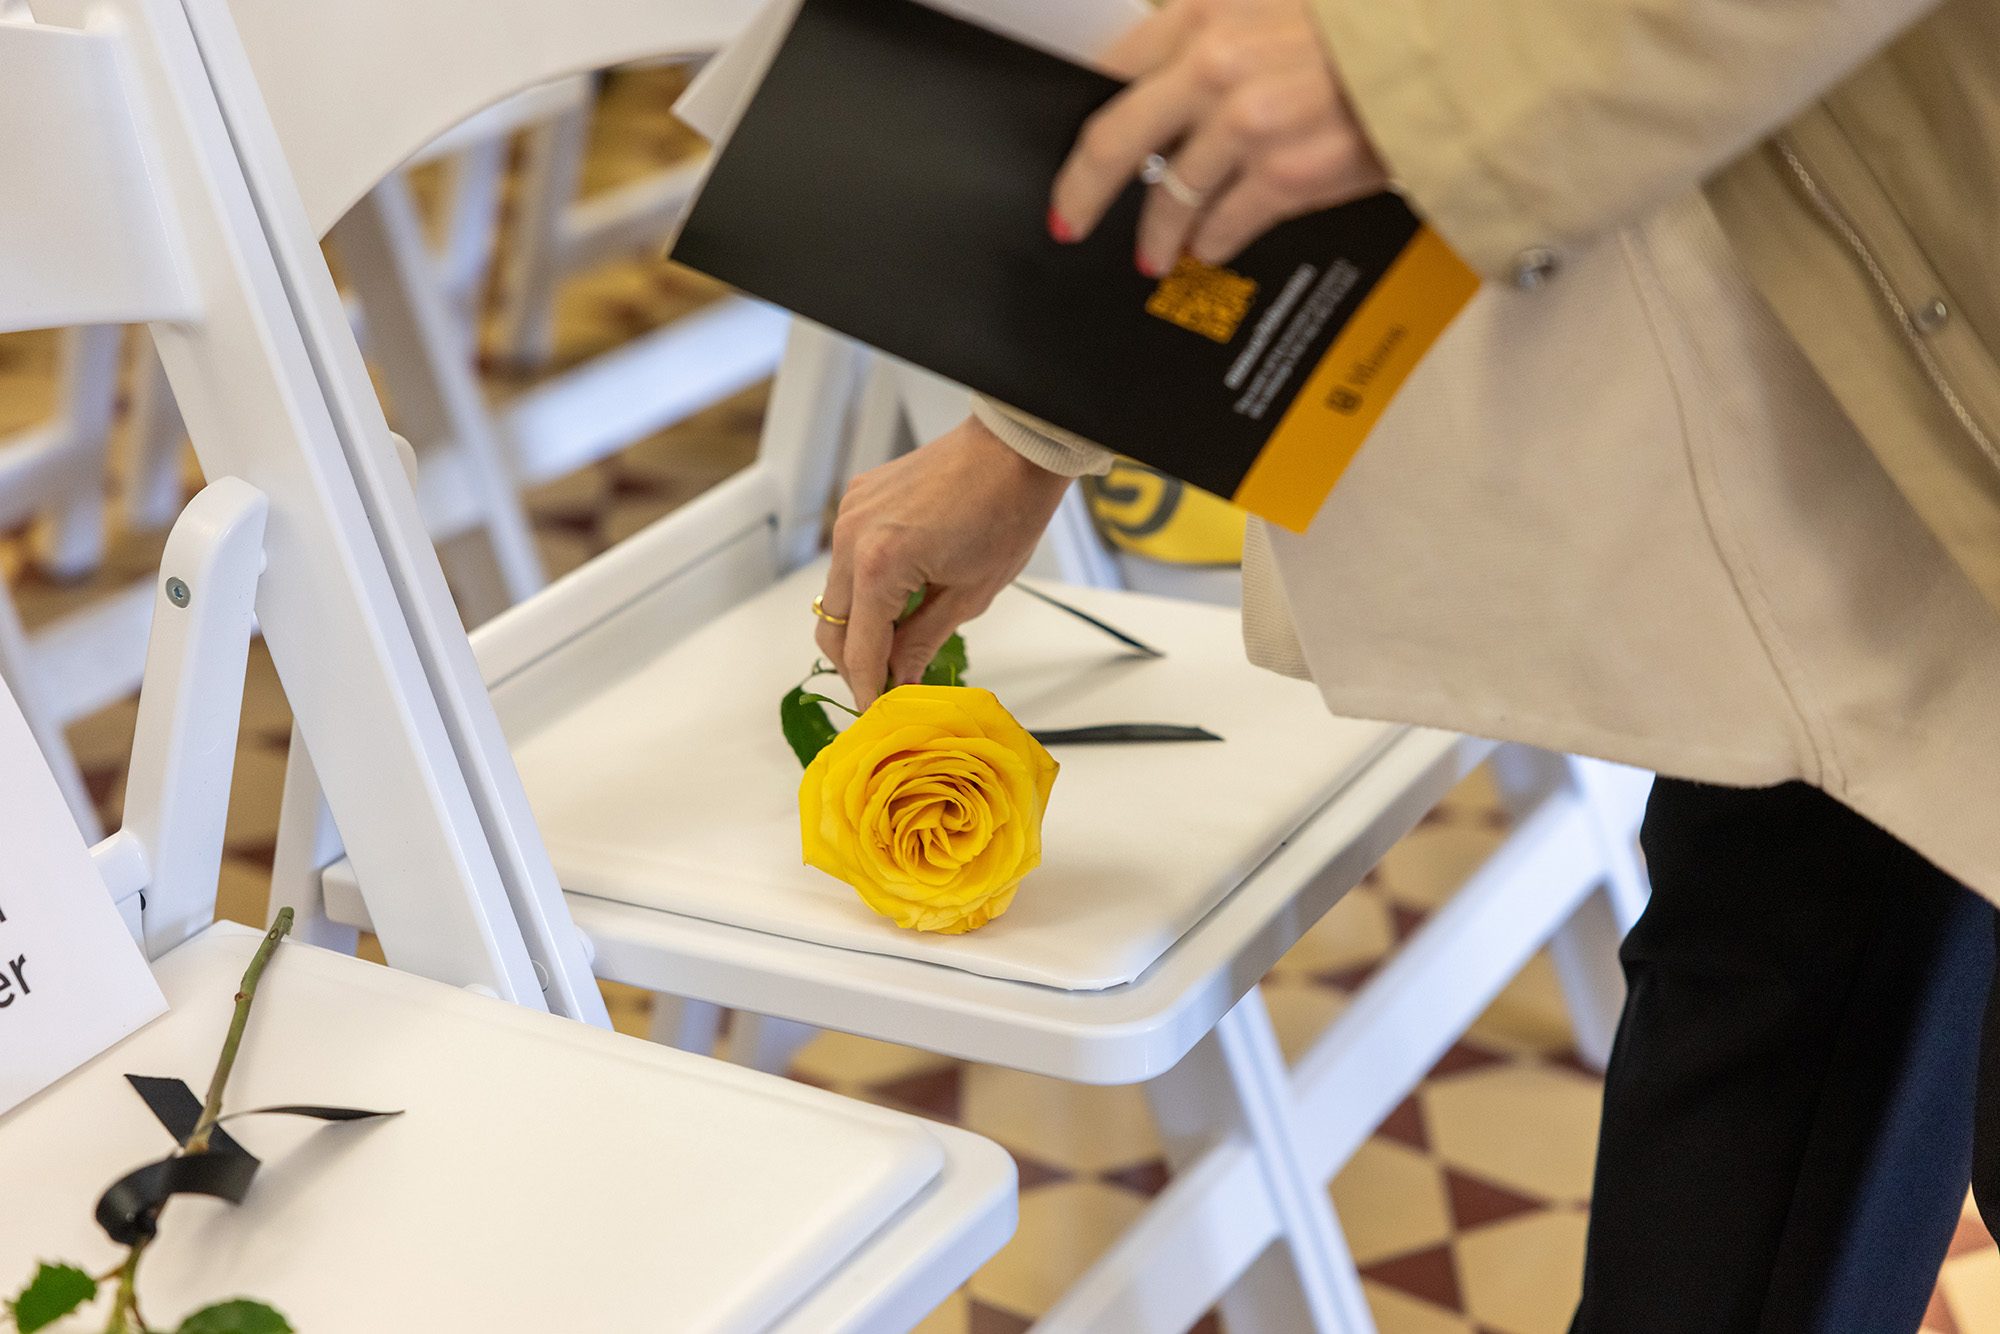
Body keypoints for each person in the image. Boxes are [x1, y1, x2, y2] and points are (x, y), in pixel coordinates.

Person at [810, 0, 2000, 1328]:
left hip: (1900, 235)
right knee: (1767, 1005)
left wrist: (1412, 66)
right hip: (1822, 383)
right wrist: (1029, 424)